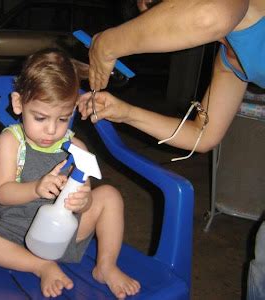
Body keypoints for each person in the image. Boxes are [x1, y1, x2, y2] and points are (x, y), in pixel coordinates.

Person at [78, 0, 264, 298]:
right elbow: (202, 136)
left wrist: (106, 44)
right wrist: (124, 112)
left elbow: (209, 14)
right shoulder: (229, 58)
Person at [0, 48, 141, 299]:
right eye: (40, 118)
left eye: (63, 119)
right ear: (18, 103)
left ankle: (106, 266)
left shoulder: (76, 148)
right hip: (16, 231)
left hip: (63, 234)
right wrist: (35, 188)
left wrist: (83, 201)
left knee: (110, 195)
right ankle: (40, 266)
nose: (51, 130)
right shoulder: (11, 141)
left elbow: (85, 197)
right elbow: (2, 193)